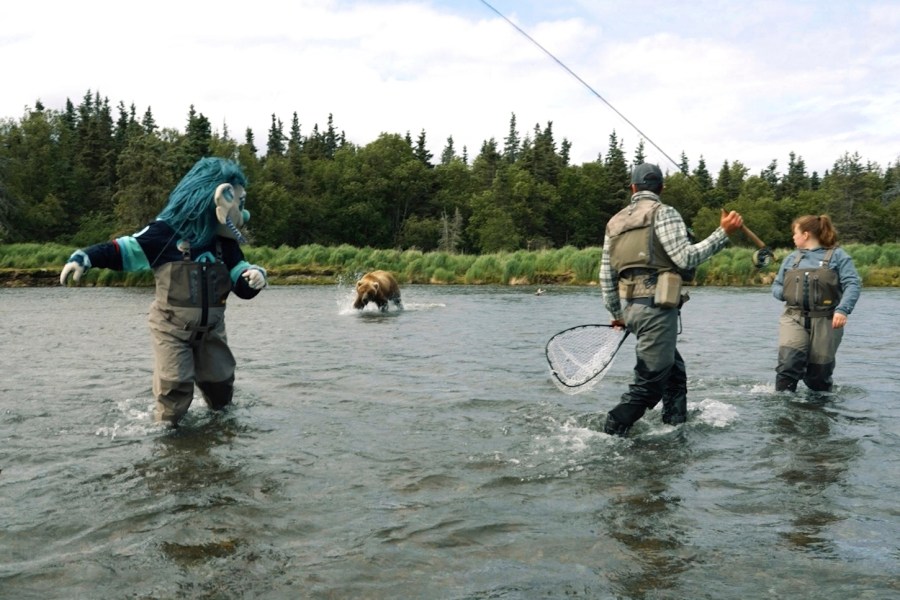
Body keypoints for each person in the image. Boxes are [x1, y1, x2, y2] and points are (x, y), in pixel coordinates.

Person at [60, 157, 269, 427]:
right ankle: (167, 435)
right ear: (219, 197)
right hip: (171, 329)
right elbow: (125, 249)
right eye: (240, 203)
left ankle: (221, 430)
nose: (244, 213)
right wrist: (85, 257)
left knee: (221, 386)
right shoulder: (164, 233)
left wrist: (252, 277)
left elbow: (240, 279)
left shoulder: (224, 243)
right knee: (176, 386)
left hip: (212, 330)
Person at [599, 163, 743, 437]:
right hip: (656, 310)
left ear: (632, 188)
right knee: (650, 383)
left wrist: (617, 313)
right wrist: (722, 233)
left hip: (631, 310)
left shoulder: (614, 222)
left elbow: (606, 275)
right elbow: (685, 258)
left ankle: (674, 427)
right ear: (661, 188)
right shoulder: (664, 213)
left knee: (674, 373)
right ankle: (612, 428)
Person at [771, 214, 860, 392]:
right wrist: (787, 294)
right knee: (788, 365)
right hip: (793, 318)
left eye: (794, 233)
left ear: (805, 234)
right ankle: (782, 410)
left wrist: (843, 310)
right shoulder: (791, 259)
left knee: (818, 376)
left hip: (827, 320)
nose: (792, 237)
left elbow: (853, 284)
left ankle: (818, 411)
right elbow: (776, 286)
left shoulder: (839, 256)